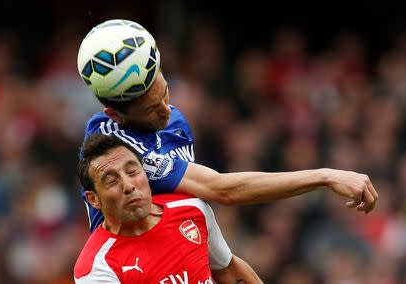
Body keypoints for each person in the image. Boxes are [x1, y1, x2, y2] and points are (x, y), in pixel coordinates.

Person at [78, 19, 378, 233]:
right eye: (151, 110)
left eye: (165, 92)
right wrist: (324, 175)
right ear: (115, 115)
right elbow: (222, 190)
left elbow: (191, 212)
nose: (166, 111)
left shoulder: (175, 120)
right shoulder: (113, 150)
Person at [74, 133, 263, 283]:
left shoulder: (192, 209)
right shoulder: (96, 267)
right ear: (93, 199)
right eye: (112, 181)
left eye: (132, 172)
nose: (128, 185)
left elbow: (228, 271)